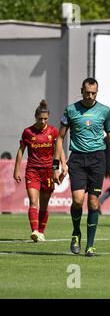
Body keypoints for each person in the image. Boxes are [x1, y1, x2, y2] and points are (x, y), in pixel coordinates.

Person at [52, 78, 110, 257]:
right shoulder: (71, 110)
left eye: (94, 93)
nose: (90, 96)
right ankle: (76, 232)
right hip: (77, 159)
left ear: (97, 92)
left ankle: (90, 245)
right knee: (78, 201)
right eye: (87, 92)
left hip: (98, 159)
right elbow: (60, 138)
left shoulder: (104, 111)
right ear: (82, 91)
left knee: (93, 202)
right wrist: (56, 165)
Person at [13, 100, 67, 242]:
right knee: (33, 202)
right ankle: (35, 231)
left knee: (44, 205)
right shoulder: (28, 132)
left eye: (45, 119)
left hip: (48, 171)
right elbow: (21, 150)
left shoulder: (53, 131)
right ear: (35, 117)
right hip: (32, 171)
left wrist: (63, 164)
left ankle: (41, 232)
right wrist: (16, 169)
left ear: (48, 118)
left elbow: (59, 148)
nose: (43, 121)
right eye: (40, 119)